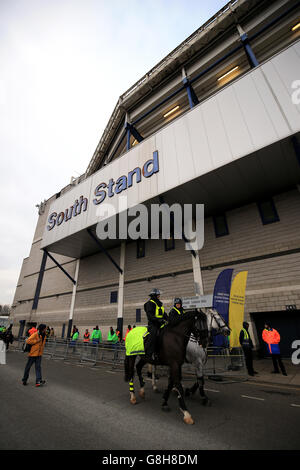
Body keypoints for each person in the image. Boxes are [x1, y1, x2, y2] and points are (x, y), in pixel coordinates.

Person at [144, 288, 168, 361]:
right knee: (153, 335)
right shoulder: (149, 304)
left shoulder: (159, 304)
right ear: (154, 295)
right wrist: (159, 320)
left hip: (161, 324)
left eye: (159, 295)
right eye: (158, 295)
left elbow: (164, 314)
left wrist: (169, 320)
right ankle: (149, 354)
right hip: (153, 324)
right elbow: (150, 316)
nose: (159, 296)